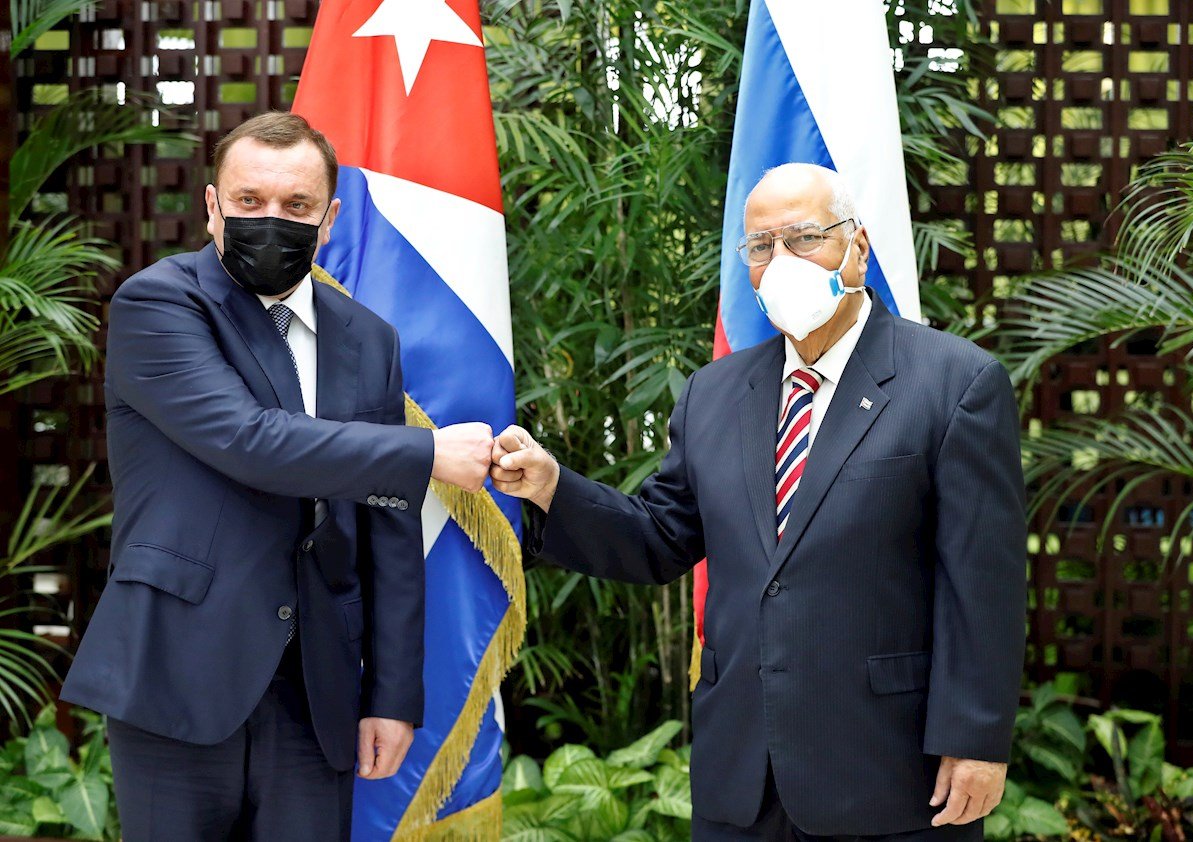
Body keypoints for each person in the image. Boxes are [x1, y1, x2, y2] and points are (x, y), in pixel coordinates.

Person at [490, 163, 1027, 841]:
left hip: (889, 772)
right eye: (761, 247)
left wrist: (977, 739)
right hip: (740, 774)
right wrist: (549, 488)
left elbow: (984, 585)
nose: (782, 261)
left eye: (803, 238)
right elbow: (660, 537)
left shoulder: (955, 383)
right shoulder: (714, 393)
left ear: (858, 247)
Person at [59, 112, 495, 842]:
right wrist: (425, 454)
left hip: (315, 691)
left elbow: (387, 527)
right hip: (177, 670)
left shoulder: (369, 339)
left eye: (296, 208)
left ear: (329, 219)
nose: (272, 220)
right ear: (212, 206)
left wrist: (391, 693)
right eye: (250, 202)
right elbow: (248, 439)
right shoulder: (160, 304)